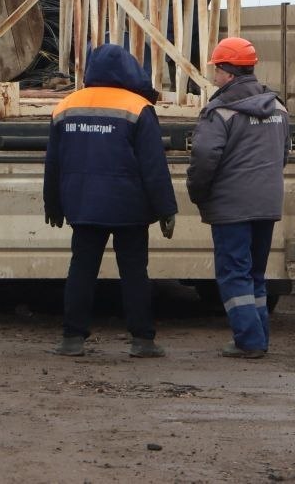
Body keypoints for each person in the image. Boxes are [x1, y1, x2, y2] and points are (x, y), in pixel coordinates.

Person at [43, 43, 178, 358]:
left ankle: (72, 338)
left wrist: (53, 203)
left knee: (81, 270)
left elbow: (54, 162)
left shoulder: (65, 106)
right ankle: (142, 340)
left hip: (83, 205)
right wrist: (166, 208)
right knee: (134, 272)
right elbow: (153, 165)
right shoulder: (138, 107)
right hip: (129, 207)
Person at [186, 37, 289, 359]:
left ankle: (250, 342)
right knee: (255, 274)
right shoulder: (278, 107)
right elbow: (283, 154)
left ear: (227, 73)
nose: (215, 75)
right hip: (267, 202)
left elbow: (204, 158)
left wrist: (197, 192)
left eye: (217, 69)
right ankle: (258, 337)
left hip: (232, 206)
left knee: (234, 273)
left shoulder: (221, 111)